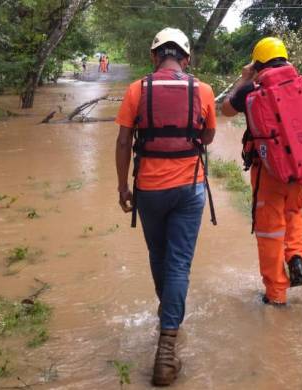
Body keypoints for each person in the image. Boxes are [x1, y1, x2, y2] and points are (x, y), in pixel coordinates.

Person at [115, 27, 217, 386]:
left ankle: (167, 317)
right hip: (190, 188)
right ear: (185, 59)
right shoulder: (203, 90)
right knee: (178, 265)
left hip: (149, 189)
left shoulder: (135, 90)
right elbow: (207, 136)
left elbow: (125, 140)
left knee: (159, 258)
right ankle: (168, 344)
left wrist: (122, 186)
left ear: (155, 56)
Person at [222, 37, 302, 306]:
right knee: (293, 214)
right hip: (300, 169)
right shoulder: (300, 83)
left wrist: (244, 79)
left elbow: (226, 110)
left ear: (257, 62)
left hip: (268, 172)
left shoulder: (251, 88)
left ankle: (276, 293)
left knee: (270, 232)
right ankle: (296, 257)